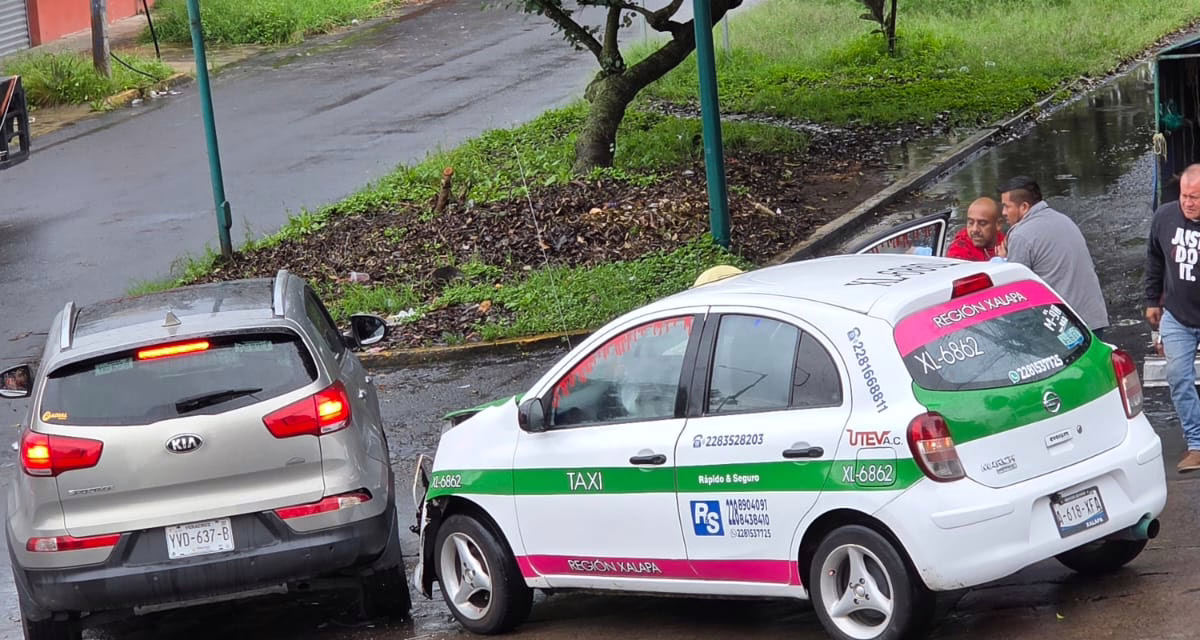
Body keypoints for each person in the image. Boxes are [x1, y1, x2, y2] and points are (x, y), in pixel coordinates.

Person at [997, 176, 1109, 336]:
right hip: (1093, 318)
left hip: (1065, 328)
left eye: (1007, 207)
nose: (1003, 213)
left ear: (1023, 206)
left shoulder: (1021, 235)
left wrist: (1003, 261)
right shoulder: (1063, 219)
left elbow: (1015, 292)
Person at [1145, 163, 1200, 472]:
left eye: (1195, 197)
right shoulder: (1165, 217)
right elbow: (1154, 257)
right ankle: (1197, 444)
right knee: (1179, 377)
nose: (1187, 203)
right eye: (1184, 196)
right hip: (1177, 316)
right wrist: (1152, 300)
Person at [946, 197, 1006, 261]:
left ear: (998, 224)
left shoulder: (1007, 243)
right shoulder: (959, 250)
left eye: (982, 224)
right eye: (970, 223)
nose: (975, 229)